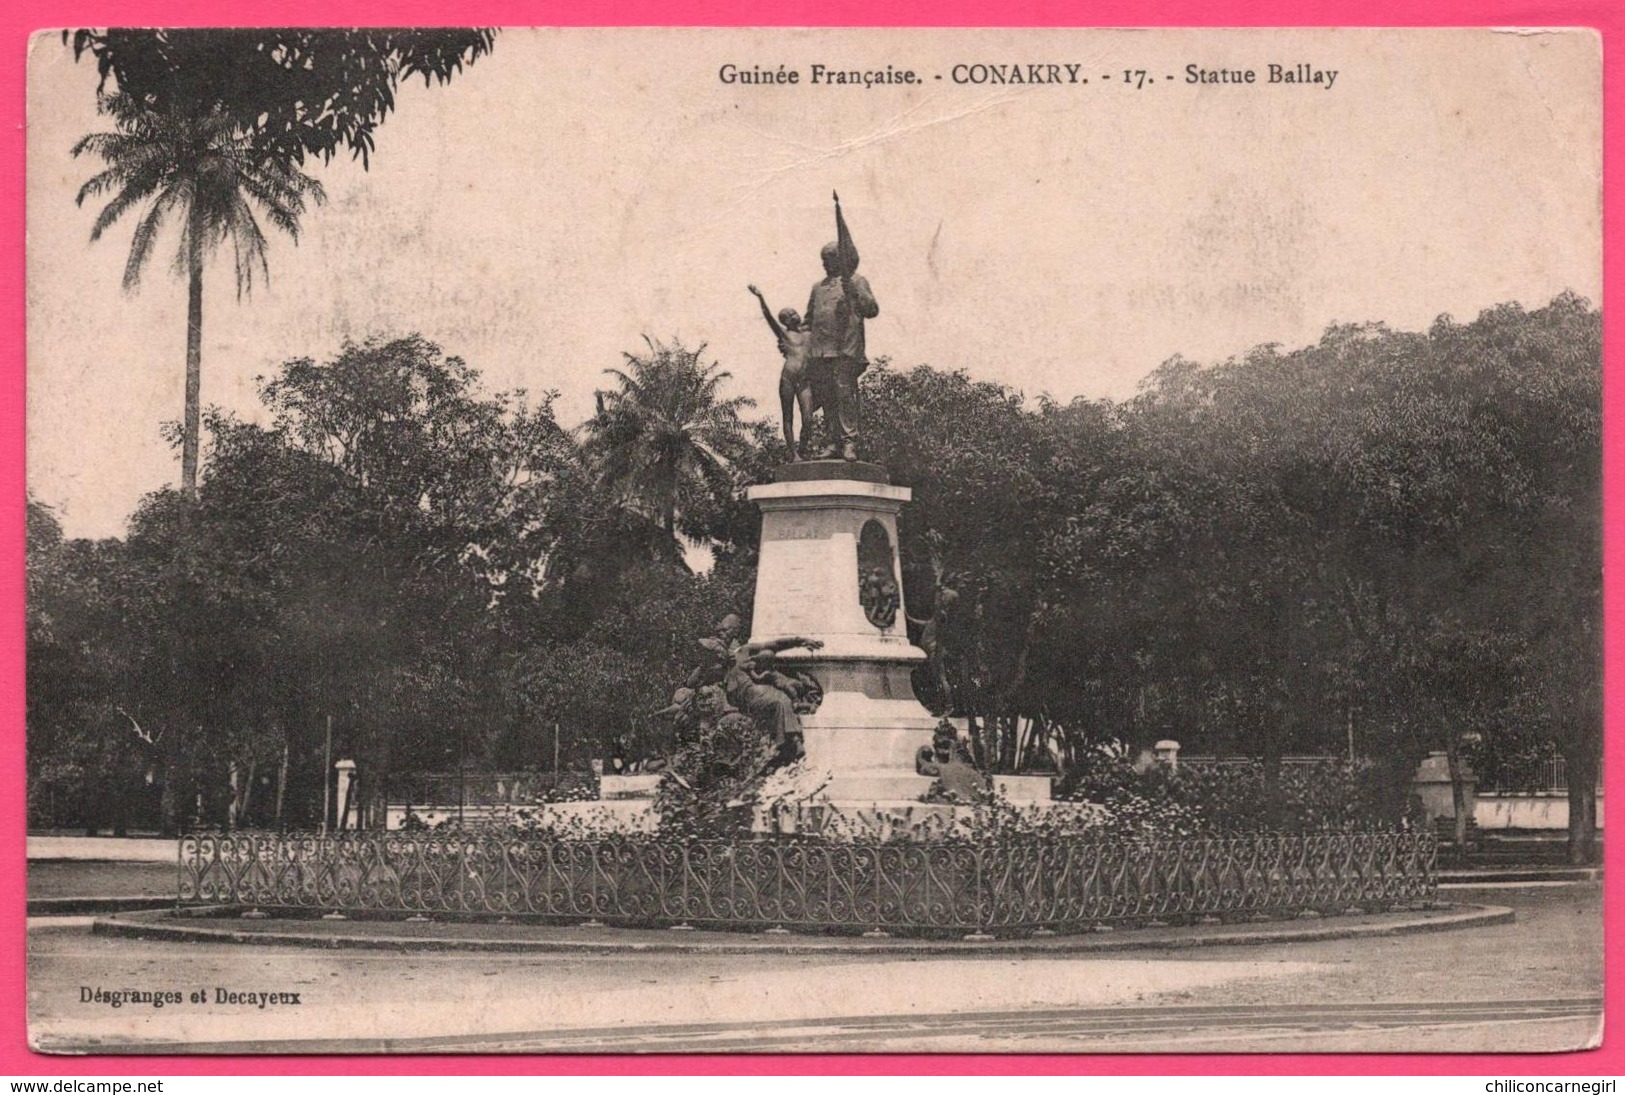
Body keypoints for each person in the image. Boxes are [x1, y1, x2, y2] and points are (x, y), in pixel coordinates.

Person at [805, 195, 879, 461]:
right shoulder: (818, 287)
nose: (826, 263)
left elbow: (872, 310)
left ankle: (849, 442)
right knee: (827, 397)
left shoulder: (856, 280)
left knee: (845, 394)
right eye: (823, 259)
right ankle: (832, 442)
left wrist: (856, 295)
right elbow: (808, 319)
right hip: (821, 351)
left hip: (845, 348)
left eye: (831, 258)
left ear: (841, 258)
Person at [748, 285, 815, 461]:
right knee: (788, 416)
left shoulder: (809, 333)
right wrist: (760, 297)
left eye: (795, 312)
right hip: (788, 377)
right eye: (790, 315)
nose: (795, 315)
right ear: (786, 321)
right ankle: (793, 453)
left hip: (805, 380)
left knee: (808, 419)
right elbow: (769, 317)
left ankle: (802, 449)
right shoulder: (784, 335)